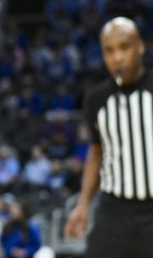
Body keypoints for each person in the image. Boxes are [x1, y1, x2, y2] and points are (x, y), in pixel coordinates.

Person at [63, 16, 153, 257]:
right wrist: (83, 205)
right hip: (114, 210)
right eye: (109, 51)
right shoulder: (96, 99)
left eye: (125, 47)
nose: (118, 57)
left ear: (140, 46)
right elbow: (96, 152)